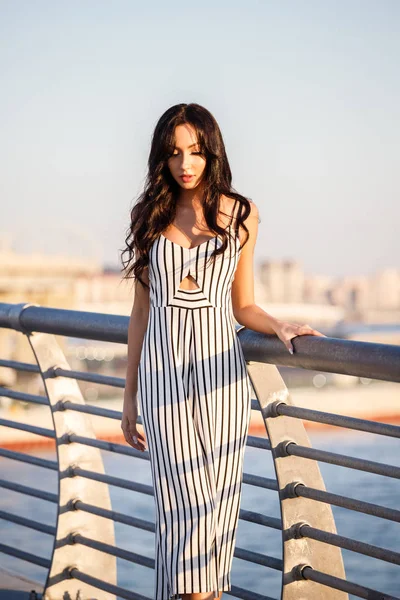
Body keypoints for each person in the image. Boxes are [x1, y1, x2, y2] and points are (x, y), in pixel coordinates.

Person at [120, 103, 324, 600]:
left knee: (213, 518)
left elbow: (243, 305)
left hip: (221, 385)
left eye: (194, 151)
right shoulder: (151, 215)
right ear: (161, 159)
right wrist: (129, 399)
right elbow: (140, 315)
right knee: (183, 512)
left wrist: (277, 324)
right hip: (164, 383)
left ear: (211, 151)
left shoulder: (242, 214)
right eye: (173, 154)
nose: (184, 163)